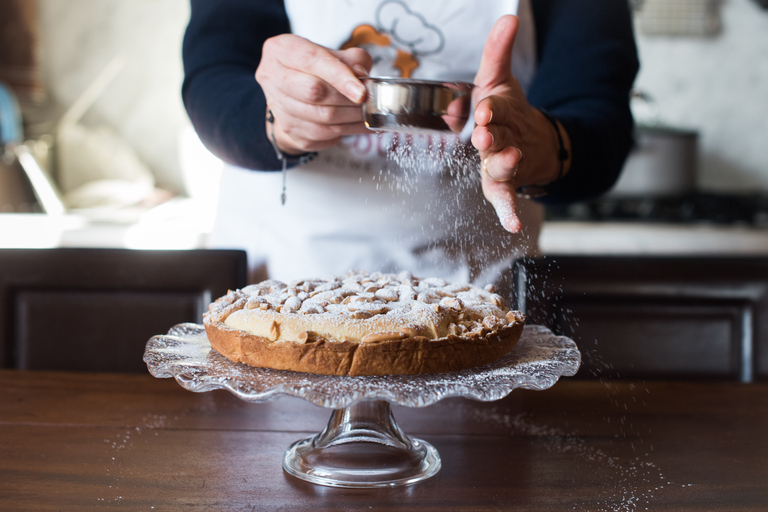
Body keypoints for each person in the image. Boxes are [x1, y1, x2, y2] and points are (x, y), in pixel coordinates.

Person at [182, 0, 639, 284]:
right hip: (283, 285)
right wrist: (275, 119)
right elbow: (211, 79)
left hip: (476, 301)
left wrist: (535, 146)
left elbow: (600, 121)